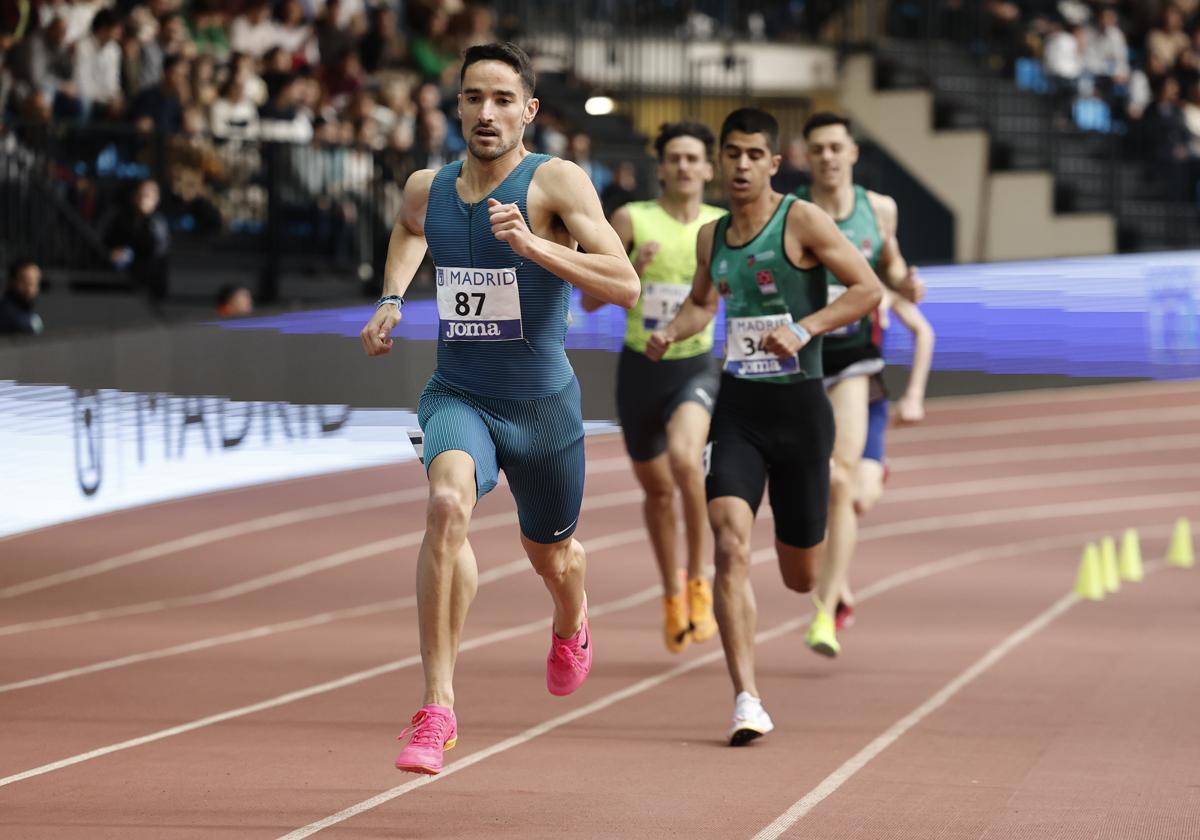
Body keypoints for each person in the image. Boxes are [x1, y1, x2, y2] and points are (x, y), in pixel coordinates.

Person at [359, 42, 639, 775]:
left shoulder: (556, 182)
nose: (487, 113)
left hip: (543, 407)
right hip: (461, 393)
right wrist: (391, 300)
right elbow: (408, 228)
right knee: (447, 505)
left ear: (529, 110)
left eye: (503, 99)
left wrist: (536, 247)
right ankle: (437, 706)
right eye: (474, 98)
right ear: (456, 106)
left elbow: (625, 283)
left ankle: (571, 622)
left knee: (553, 557)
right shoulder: (430, 186)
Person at [646, 107, 882, 746]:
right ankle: (746, 697)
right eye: (733, 154)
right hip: (742, 409)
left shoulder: (802, 221)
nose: (742, 165)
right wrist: (670, 331)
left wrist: (804, 328)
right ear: (721, 161)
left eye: (755, 155)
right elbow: (701, 304)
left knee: (800, 576)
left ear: (775, 163)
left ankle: (823, 580)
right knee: (728, 543)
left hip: (802, 412)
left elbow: (867, 289)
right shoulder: (712, 237)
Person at [581, 121, 726, 654]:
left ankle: (699, 581)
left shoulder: (721, 224)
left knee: (688, 463)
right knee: (658, 491)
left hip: (695, 364)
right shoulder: (631, 219)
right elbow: (591, 300)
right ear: (661, 167)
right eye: (675, 158)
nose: (685, 167)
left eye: (694, 158)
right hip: (641, 370)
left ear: (708, 168)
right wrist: (630, 271)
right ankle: (671, 595)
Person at [794, 112, 924, 657]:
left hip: (854, 358)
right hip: (802, 358)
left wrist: (904, 282)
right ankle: (835, 585)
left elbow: (891, 265)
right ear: (806, 155)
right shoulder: (792, 211)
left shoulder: (880, 210)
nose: (827, 156)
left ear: (852, 153)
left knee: (841, 482)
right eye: (817, 147)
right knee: (823, 488)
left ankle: (824, 612)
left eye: (835, 147)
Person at [0, 259, 45, 336]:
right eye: (25, 282)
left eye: (35, 282)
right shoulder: (7, 316)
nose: (30, 289)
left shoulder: (28, 312)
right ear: (12, 282)